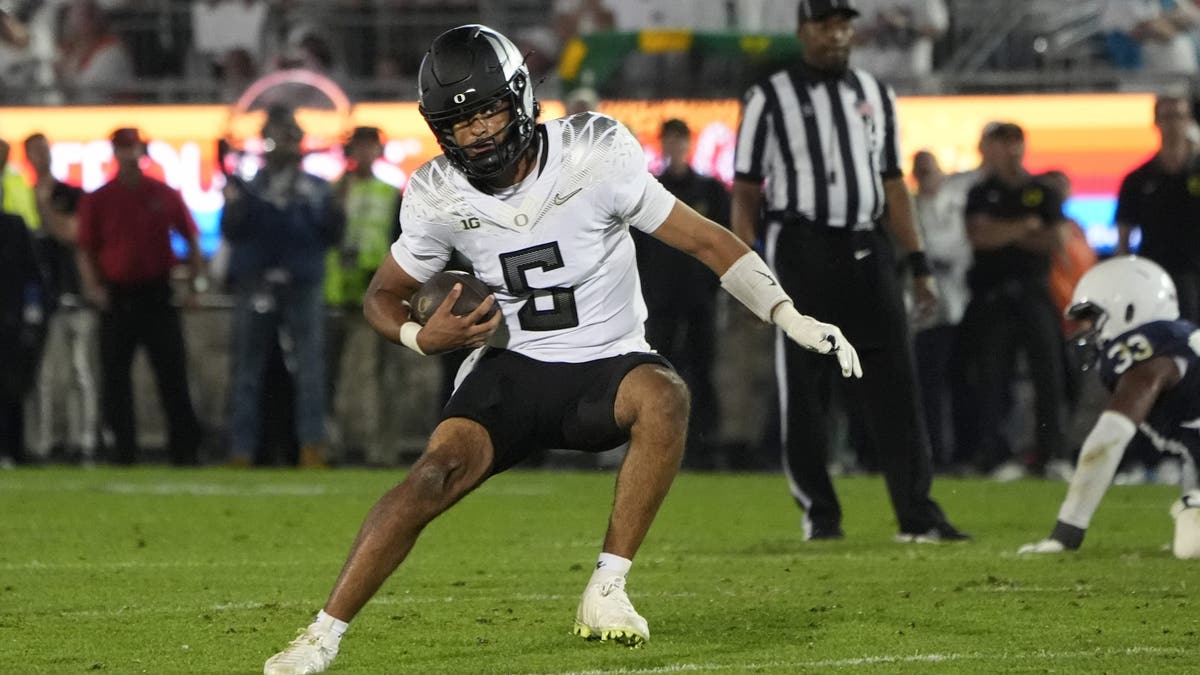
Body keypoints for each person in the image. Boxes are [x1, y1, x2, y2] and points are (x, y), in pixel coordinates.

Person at [262, 24, 861, 675]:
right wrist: (416, 334)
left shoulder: (594, 150)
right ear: (441, 131)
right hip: (513, 368)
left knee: (666, 397)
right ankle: (321, 635)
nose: (482, 132)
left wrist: (787, 313)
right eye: (461, 123)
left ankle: (607, 588)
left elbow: (707, 240)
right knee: (430, 477)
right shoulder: (437, 191)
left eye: (490, 110)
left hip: (608, 363)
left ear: (520, 99)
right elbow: (384, 293)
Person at [730, 0, 965, 542]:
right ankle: (821, 513)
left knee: (897, 383)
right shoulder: (769, 97)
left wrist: (919, 264)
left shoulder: (875, 94)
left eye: (843, 24)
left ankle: (917, 515)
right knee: (806, 388)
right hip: (800, 247)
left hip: (866, 244)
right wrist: (745, 269)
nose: (836, 36)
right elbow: (746, 189)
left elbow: (891, 184)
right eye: (824, 25)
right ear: (803, 31)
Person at [1017, 256, 1200, 557]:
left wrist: (1068, 531)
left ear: (1128, 309)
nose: (1088, 331)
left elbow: (1108, 438)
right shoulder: (1177, 340)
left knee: (1191, 545)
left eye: (1094, 318)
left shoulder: (1148, 351)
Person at [221, 106, 345, 469]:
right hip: (257, 281)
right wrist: (236, 203)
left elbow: (331, 235)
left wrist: (333, 210)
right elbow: (232, 231)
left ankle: (311, 447)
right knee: (247, 368)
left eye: (289, 137)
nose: (283, 146)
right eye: (275, 138)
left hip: (302, 282)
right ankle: (242, 449)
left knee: (309, 368)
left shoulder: (316, 188)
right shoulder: (249, 185)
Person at [76, 127, 205, 466]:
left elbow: (191, 238)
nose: (128, 155)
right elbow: (86, 248)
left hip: (156, 292)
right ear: (115, 153)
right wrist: (94, 287)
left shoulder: (161, 193)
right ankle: (123, 449)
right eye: (123, 149)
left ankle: (185, 448)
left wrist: (193, 284)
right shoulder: (100, 198)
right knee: (115, 377)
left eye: (132, 148)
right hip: (118, 295)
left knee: (172, 373)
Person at [632, 118, 730, 470]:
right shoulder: (650, 191)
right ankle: (657, 443)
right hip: (659, 299)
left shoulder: (711, 191)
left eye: (680, 141)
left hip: (699, 299)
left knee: (702, 371)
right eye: (670, 141)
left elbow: (724, 241)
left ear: (689, 144)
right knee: (660, 371)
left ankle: (704, 445)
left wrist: (718, 287)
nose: (675, 147)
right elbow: (637, 248)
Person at [324, 126, 400, 461]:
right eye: (359, 146)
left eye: (371, 146)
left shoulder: (391, 193)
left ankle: (381, 447)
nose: (365, 153)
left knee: (382, 373)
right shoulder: (331, 191)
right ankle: (330, 443)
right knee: (329, 376)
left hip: (378, 293)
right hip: (335, 294)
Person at [23, 132, 96, 463]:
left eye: (45, 151)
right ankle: (41, 444)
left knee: (79, 373)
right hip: (38, 296)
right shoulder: (20, 193)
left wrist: (43, 206)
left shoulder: (68, 193)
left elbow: (72, 234)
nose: (42, 158)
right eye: (35, 152)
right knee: (41, 376)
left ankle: (83, 441)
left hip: (74, 294)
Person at [909, 150, 972, 471]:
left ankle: (961, 452)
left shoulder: (954, 206)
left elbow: (951, 249)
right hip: (928, 314)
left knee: (961, 385)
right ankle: (934, 453)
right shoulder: (911, 210)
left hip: (961, 306)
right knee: (928, 387)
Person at [1115, 95, 1200, 324]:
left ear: (1189, 121)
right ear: (1156, 122)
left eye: (1179, 117)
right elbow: (1124, 236)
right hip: (1155, 276)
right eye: (1167, 117)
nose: (1173, 124)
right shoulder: (1137, 179)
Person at [0, 208, 42, 468]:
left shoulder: (14, 227)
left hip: (10, 321)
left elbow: (32, 274)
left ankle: (13, 449)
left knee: (11, 388)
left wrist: (31, 314)